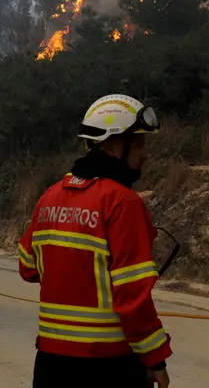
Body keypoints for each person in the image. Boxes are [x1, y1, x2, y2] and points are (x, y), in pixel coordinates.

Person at [17, 94, 172, 388]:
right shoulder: (122, 203)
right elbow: (133, 297)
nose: (145, 153)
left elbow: (28, 268)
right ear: (113, 146)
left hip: (51, 364)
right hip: (108, 365)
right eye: (139, 143)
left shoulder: (50, 196)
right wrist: (156, 358)